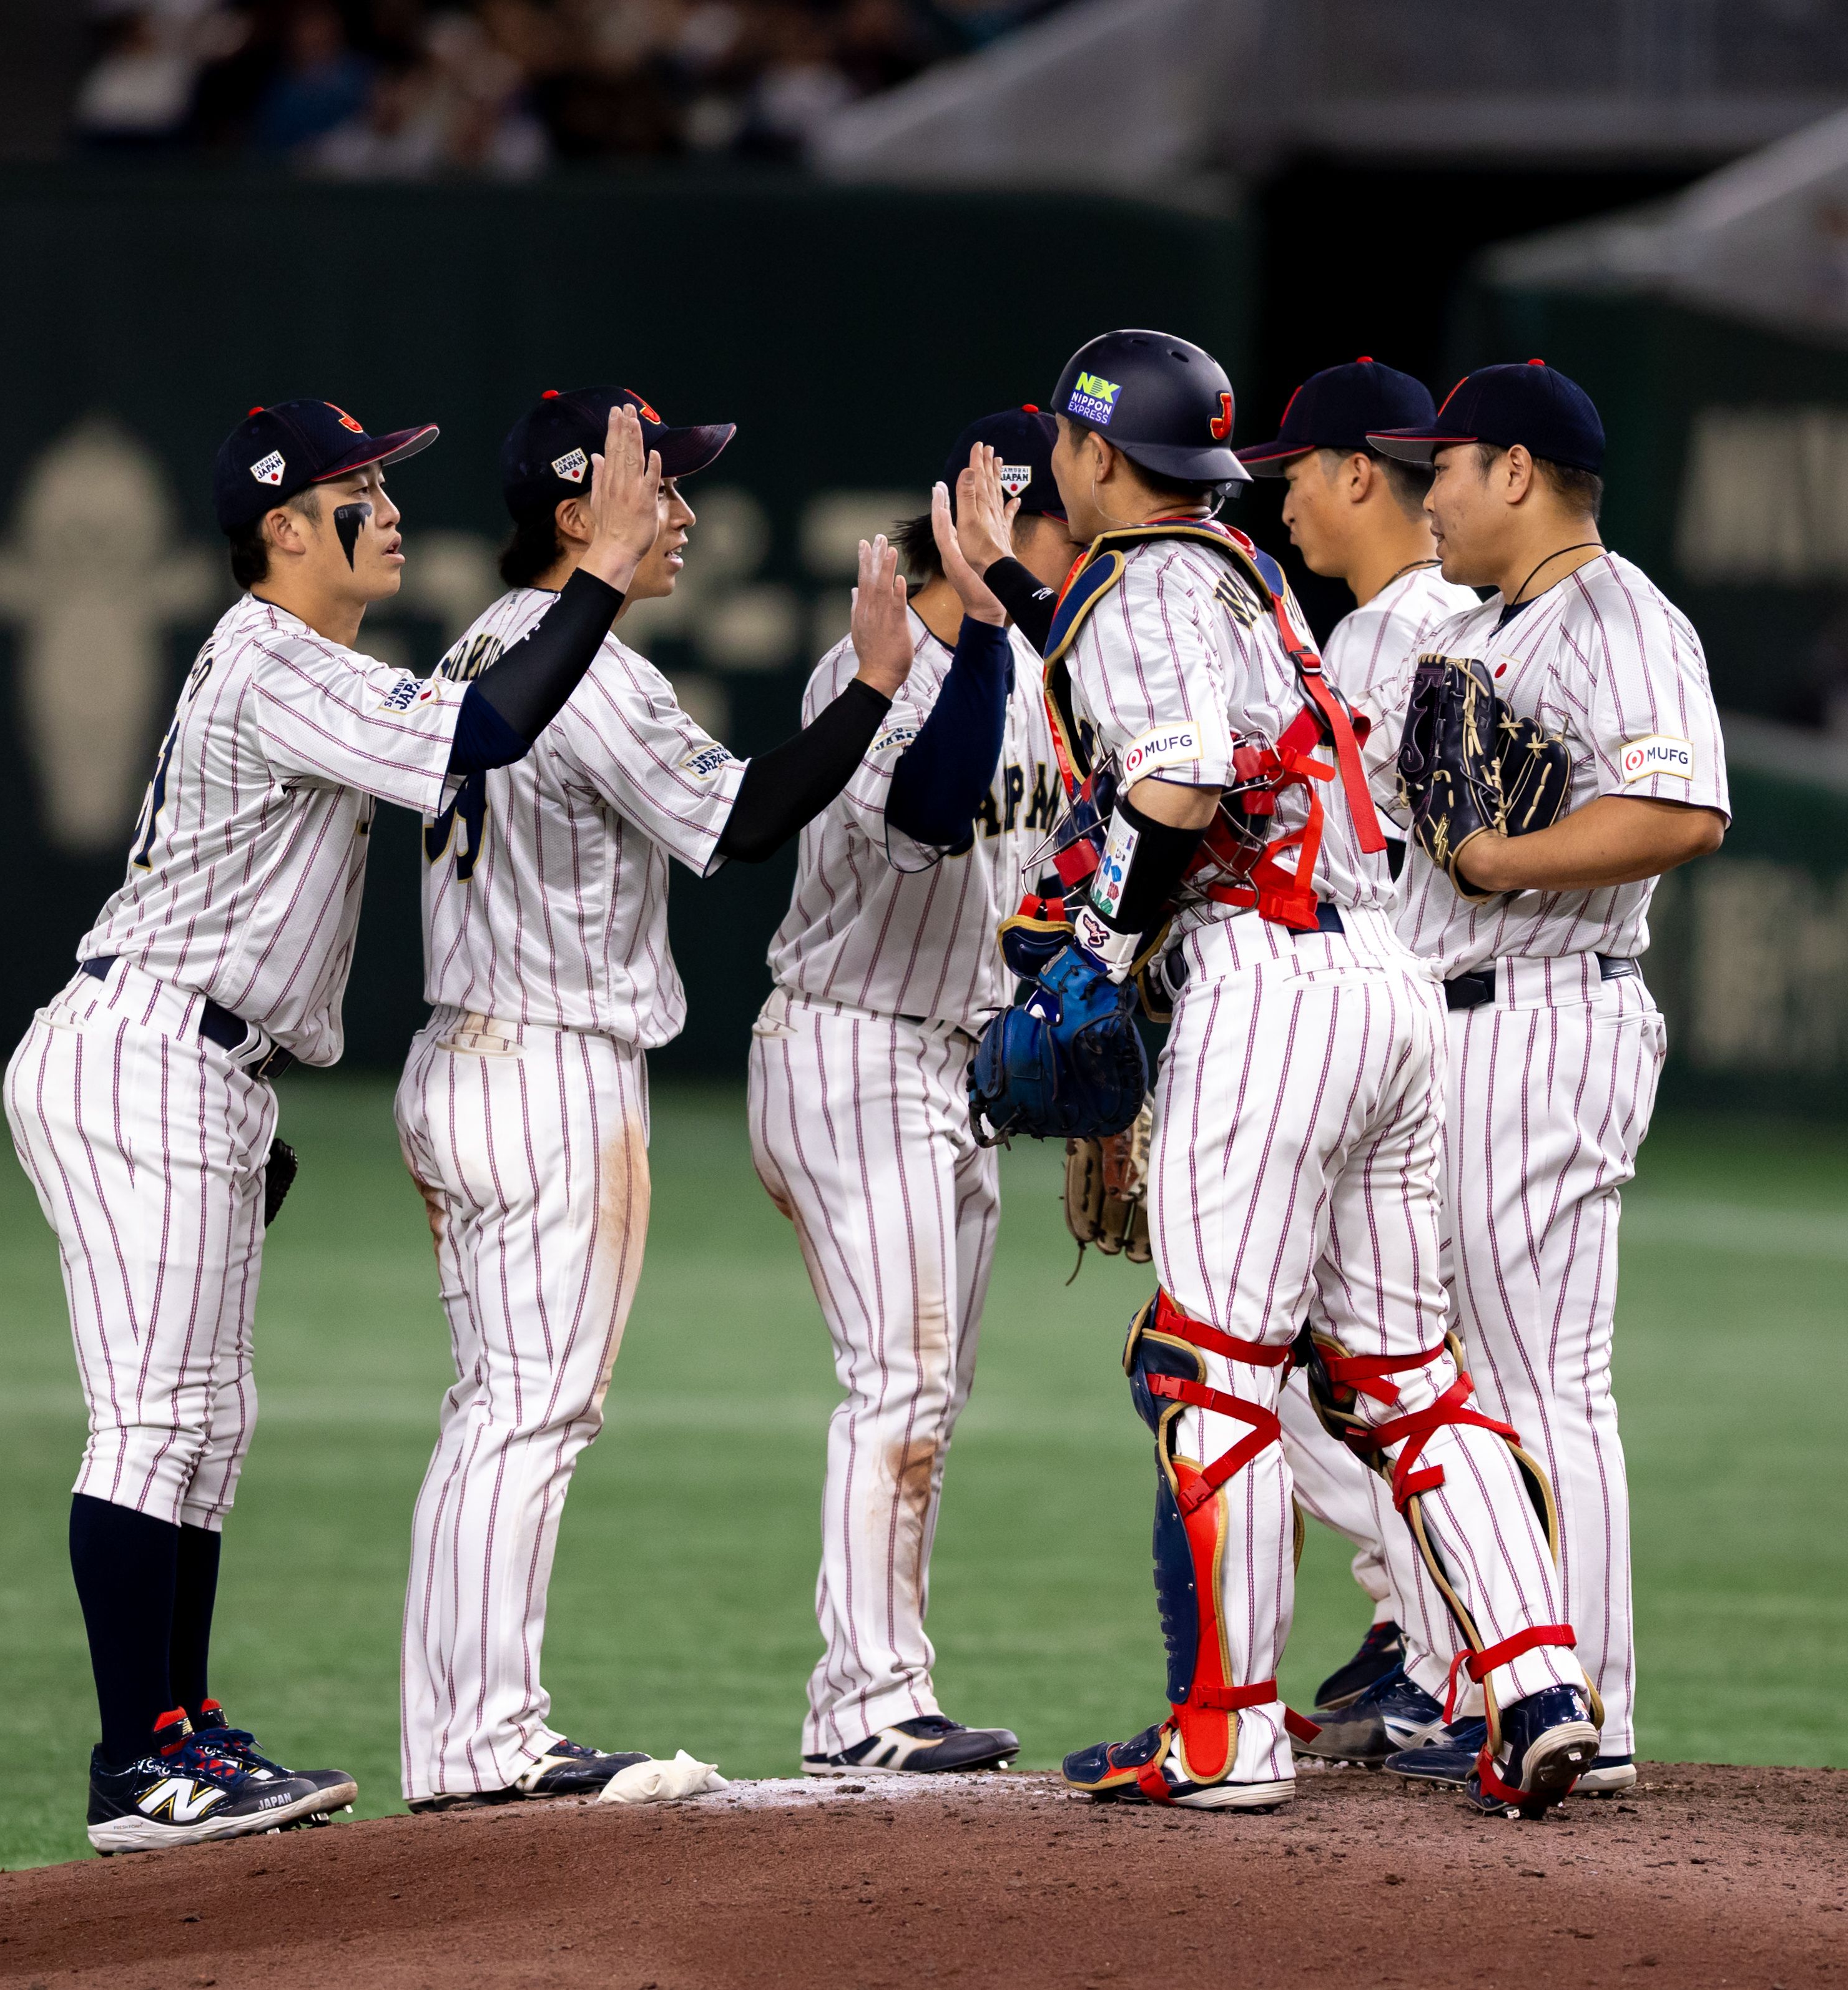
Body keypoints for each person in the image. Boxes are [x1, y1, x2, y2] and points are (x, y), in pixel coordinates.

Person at [5, 397, 660, 1853]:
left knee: (207, 1427)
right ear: (284, 530)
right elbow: (487, 729)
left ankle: (181, 1731)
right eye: (357, 489)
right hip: (148, 1050)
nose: (389, 507)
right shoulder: (270, 657)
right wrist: (602, 570)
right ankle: (139, 1769)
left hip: (201, 1065)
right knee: (157, 1420)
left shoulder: (309, 665)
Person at [975, 329, 1597, 1815]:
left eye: (1067, 434)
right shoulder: (1248, 571)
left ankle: (1225, 1730)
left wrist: (1106, 951)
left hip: (1269, 990)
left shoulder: (1134, 584)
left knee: (1214, 1367)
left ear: (1098, 454)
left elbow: (1180, 768)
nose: (1058, 454)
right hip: (1384, 984)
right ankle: (1538, 1681)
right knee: (1406, 1372)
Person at [396, 387, 917, 1808]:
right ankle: (484, 1741)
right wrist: (874, 690)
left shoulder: (486, 645)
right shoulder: (594, 671)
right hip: (551, 1069)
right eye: (658, 487)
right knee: (532, 1415)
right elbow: (744, 823)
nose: (684, 512)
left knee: (496, 1408)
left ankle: (460, 1735)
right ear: (578, 513)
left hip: (464, 1054)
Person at [1358, 358, 1732, 1798]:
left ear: (1516, 472)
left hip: (1546, 1017)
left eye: (1444, 465)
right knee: (1451, 1375)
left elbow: (1685, 809)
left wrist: (1503, 858)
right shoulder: (1489, 627)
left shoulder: (1620, 613)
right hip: (1451, 1018)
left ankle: (1595, 1700)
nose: (1428, 493)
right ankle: (1492, 1687)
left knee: (1544, 1378)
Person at [749, 412, 1082, 1776]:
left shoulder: (1048, 667)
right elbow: (931, 812)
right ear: (981, 517)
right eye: (1053, 514)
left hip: (958, 1064)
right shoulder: (873, 660)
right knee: (899, 1375)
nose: (1077, 538)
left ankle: (891, 1685)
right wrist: (996, 616)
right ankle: (864, 1702)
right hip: (845, 1046)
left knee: (928, 1393)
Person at [1234, 358, 1492, 1765]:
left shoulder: (1440, 630)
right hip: (1378, 1029)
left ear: (1355, 474)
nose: (1278, 498)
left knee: (1374, 1365)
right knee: (1304, 1365)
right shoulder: (1360, 637)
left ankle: (1451, 1648)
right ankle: (1417, 1618)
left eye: (1292, 472)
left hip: (1422, 1037)